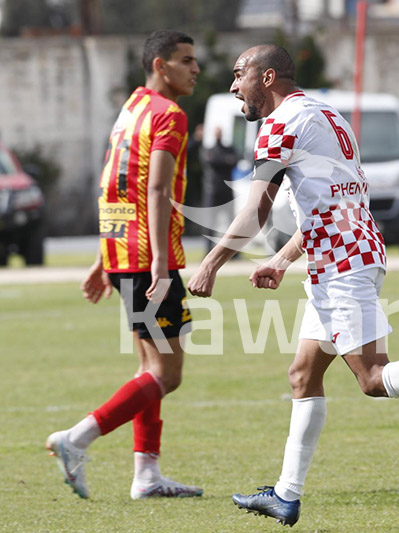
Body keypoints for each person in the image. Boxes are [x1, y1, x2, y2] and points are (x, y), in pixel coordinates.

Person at [187, 45, 399, 527]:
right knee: (303, 374)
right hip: (345, 252)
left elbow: (256, 209)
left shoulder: (279, 126)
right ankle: (285, 495)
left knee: (371, 377)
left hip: (342, 263)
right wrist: (281, 260)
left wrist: (211, 263)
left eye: (240, 76)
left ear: (268, 76)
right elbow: (332, 202)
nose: (234, 86)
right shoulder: (325, 113)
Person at [46, 30, 203, 500]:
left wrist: (103, 257)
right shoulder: (170, 114)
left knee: (146, 367)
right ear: (160, 64)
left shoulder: (132, 108)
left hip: (123, 253)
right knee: (166, 375)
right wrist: (158, 262)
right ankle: (76, 439)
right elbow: (154, 189)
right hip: (147, 258)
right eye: (186, 60)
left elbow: (114, 185)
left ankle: (147, 475)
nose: (196, 69)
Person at [200, 126, 238, 254]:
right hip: (212, 191)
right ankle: (208, 250)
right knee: (210, 223)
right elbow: (211, 161)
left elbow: (234, 160)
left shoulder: (228, 149)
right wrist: (225, 161)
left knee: (232, 222)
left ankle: (233, 251)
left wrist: (221, 161)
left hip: (226, 191)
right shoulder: (209, 150)